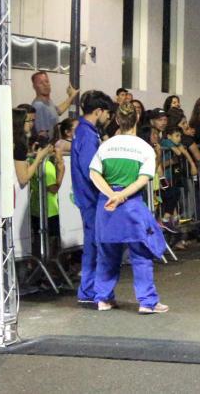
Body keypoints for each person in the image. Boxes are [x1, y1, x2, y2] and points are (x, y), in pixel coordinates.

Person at [89, 102, 169, 314]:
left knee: (107, 254)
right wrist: (122, 195)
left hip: (106, 205)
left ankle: (103, 298)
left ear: (117, 120)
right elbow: (144, 178)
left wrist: (111, 195)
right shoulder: (144, 148)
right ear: (137, 120)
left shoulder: (105, 146)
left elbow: (94, 174)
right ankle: (147, 302)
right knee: (141, 255)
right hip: (131, 204)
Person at [70, 90, 114, 305]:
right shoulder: (88, 135)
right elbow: (91, 170)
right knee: (97, 246)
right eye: (107, 113)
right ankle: (93, 291)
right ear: (98, 111)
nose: (109, 117)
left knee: (92, 246)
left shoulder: (83, 131)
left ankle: (88, 290)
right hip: (91, 198)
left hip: (87, 198)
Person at [30, 71, 79, 138]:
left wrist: (71, 96)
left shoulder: (48, 102)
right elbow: (42, 135)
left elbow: (58, 111)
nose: (45, 85)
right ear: (34, 86)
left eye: (46, 81)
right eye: (41, 83)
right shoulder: (39, 106)